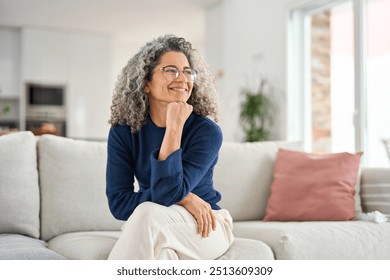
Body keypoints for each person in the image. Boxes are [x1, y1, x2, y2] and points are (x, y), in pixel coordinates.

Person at [106, 34, 234, 260]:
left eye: (187, 71)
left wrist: (174, 127)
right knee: (162, 254)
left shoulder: (206, 132)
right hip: (157, 220)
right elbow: (119, 204)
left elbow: (166, 193)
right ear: (146, 83)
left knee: (146, 213)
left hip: (206, 224)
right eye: (171, 70)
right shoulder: (123, 131)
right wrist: (185, 197)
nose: (182, 78)